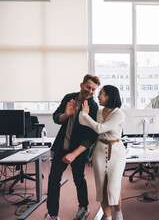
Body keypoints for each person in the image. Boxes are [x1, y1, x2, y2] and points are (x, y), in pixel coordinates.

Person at [45, 74, 101, 220]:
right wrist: (65, 115)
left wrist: (74, 154)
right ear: (81, 84)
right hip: (62, 146)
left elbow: (90, 136)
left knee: (78, 178)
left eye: (94, 89)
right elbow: (56, 117)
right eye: (88, 87)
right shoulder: (69, 97)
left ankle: (83, 207)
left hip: (78, 150)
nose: (90, 91)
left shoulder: (93, 107)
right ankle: (52, 215)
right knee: (53, 179)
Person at [79, 85, 125, 220]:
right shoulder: (99, 112)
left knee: (113, 188)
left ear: (109, 96)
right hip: (99, 150)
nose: (98, 96)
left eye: (101, 93)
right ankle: (108, 217)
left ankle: (119, 214)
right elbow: (85, 123)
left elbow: (100, 128)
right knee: (102, 189)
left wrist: (84, 115)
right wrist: (84, 116)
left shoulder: (119, 114)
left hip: (116, 152)